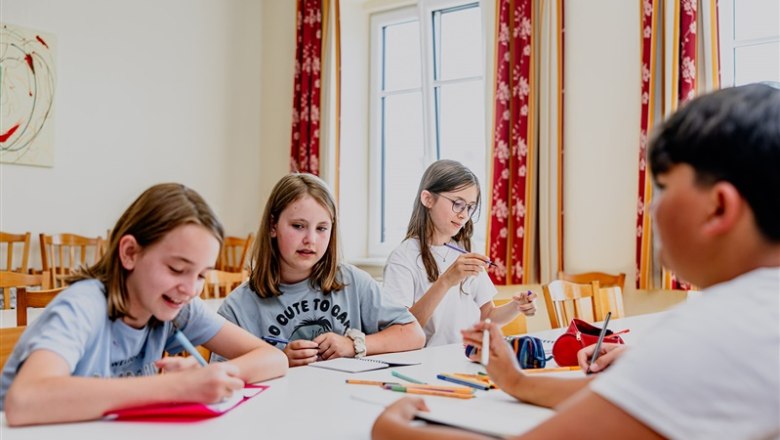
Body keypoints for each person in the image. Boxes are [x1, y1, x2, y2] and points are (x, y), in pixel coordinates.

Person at [373, 83, 780, 439]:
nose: (652, 208)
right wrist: (517, 381)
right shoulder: (753, 316)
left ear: (718, 207)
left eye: (663, 187)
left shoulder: (713, 334)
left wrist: (389, 430)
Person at [1, 183, 288, 426]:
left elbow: (274, 358)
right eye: (176, 269)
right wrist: (175, 387)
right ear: (130, 253)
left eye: (201, 275)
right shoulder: (83, 306)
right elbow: (24, 401)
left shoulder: (178, 307)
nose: (190, 289)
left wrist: (209, 379)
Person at [217, 173, 425, 367]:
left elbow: (414, 334)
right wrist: (280, 361)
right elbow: (222, 376)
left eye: (321, 228)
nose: (311, 239)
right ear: (273, 226)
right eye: (298, 226)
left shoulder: (352, 281)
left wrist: (354, 345)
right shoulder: (237, 308)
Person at [382, 159, 537, 347]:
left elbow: (487, 315)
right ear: (428, 199)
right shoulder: (402, 258)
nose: (464, 215)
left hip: (466, 355)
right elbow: (401, 330)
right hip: (428, 359)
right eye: (457, 204)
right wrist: (446, 280)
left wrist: (516, 306)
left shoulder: (466, 248)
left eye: (470, 207)